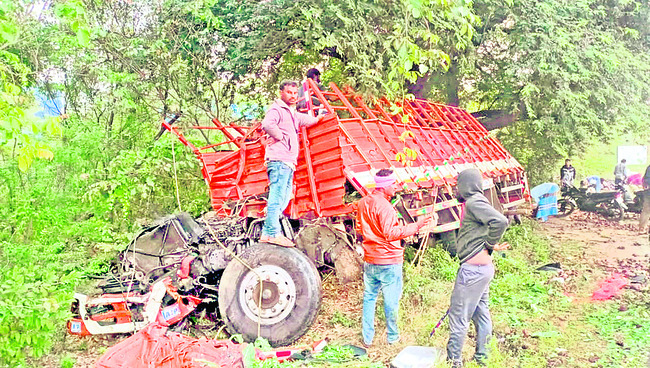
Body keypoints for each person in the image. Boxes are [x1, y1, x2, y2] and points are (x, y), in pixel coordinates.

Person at [356, 169, 436, 347]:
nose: (396, 187)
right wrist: (416, 226)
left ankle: (367, 338)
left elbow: (360, 229)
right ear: (385, 187)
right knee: (391, 300)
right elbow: (390, 233)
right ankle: (393, 338)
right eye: (393, 184)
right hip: (389, 261)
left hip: (370, 259)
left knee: (369, 297)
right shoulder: (385, 207)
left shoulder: (363, 203)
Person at [446, 168, 509, 367]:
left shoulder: (474, 201)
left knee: (459, 316)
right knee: (481, 313)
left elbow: (500, 221)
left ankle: (454, 362)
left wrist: (490, 244)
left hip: (472, 272)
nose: (456, 189)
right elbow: (482, 229)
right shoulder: (475, 203)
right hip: (482, 271)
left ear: (465, 185)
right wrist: (488, 244)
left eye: (458, 184)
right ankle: (483, 357)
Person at [260, 80, 328, 247]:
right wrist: (280, 137)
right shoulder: (277, 109)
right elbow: (267, 124)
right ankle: (270, 233)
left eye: (294, 92)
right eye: (289, 92)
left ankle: (271, 227)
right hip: (279, 160)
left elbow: (307, 120)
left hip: (288, 162)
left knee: (284, 197)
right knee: (277, 196)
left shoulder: (292, 113)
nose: (293, 95)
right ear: (281, 93)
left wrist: (319, 117)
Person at [639, 164, 650, 234]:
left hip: (648, 191)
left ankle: (642, 229)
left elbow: (644, 179)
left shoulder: (649, 167)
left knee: (646, 210)